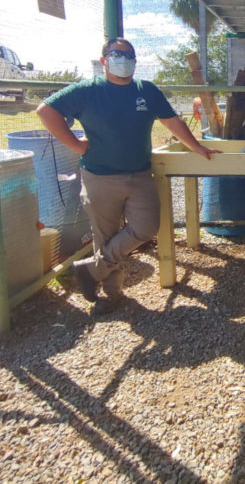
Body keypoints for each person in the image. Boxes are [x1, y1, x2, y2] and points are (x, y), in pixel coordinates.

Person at [36, 38, 220, 315]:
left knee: (146, 228)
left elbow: (171, 120)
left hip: (140, 174)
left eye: (129, 55)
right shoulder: (87, 90)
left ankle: (91, 270)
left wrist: (196, 147)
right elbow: (46, 111)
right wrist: (75, 145)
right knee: (106, 236)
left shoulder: (146, 90)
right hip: (99, 176)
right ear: (104, 60)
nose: (124, 59)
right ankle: (110, 296)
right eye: (117, 54)